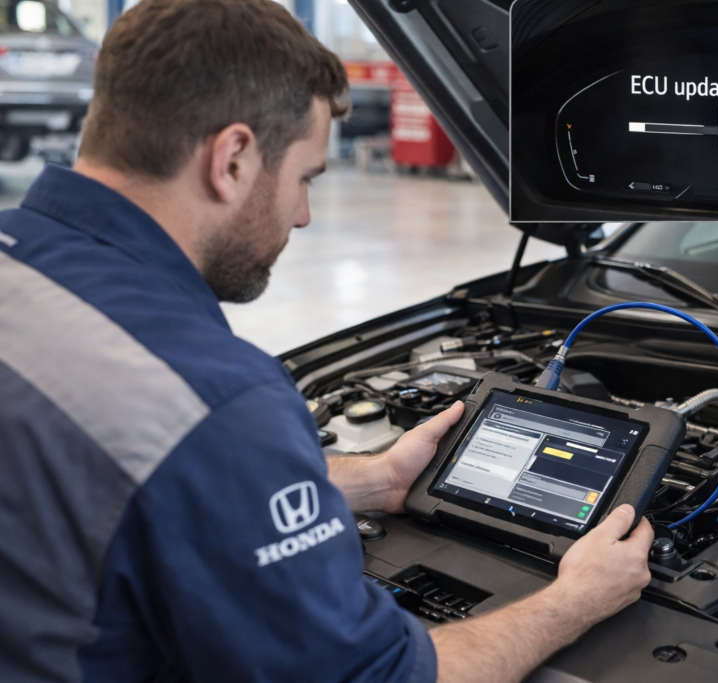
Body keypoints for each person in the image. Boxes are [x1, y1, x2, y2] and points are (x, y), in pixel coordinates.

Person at [0, 1, 654, 681]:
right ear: (232, 159)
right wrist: (573, 600)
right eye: (305, 177)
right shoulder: (212, 400)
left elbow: (138, 486)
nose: (305, 215)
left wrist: (374, 478)